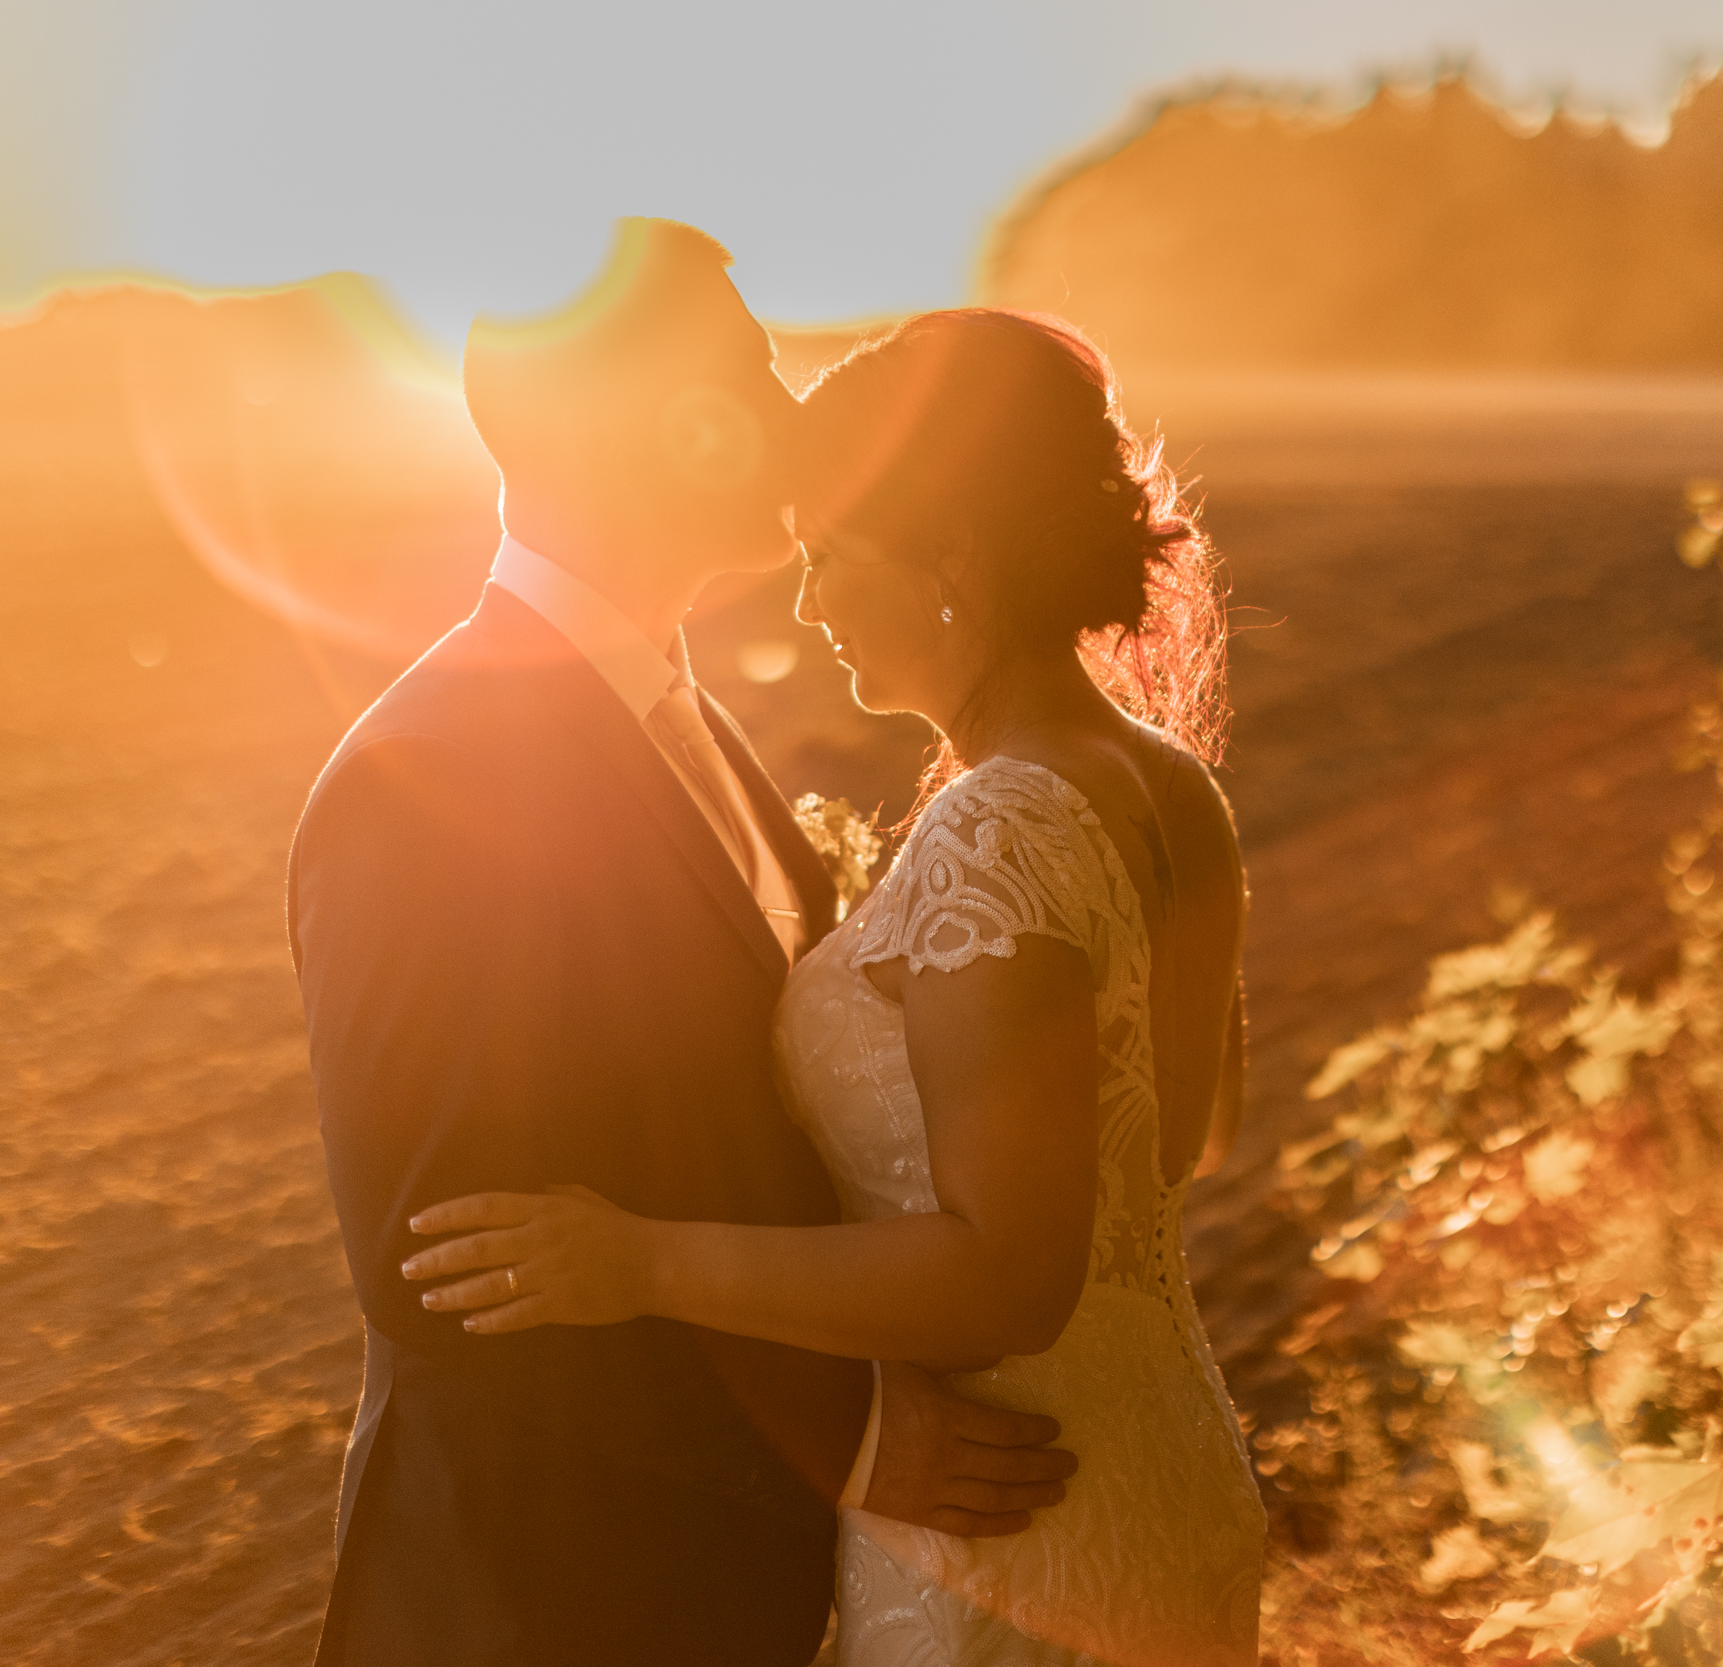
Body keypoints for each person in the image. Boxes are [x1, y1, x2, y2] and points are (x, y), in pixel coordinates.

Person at [405, 308, 1268, 1665]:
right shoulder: (1170, 788)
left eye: (828, 558)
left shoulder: (1001, 827)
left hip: (1017, 1520)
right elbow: (1187, 1139)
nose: (805, 604)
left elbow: (1005, 1284)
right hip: (1160, 1460)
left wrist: (639, 1257)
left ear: (952, 565)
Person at [289, 224, 1078, 1667]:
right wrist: (845, 1440)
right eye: (752, 377)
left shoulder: (692, 729)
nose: (788, 422)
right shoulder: (425, 782)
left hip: (728, 1596)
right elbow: (447, 1278)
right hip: (541, 1606)